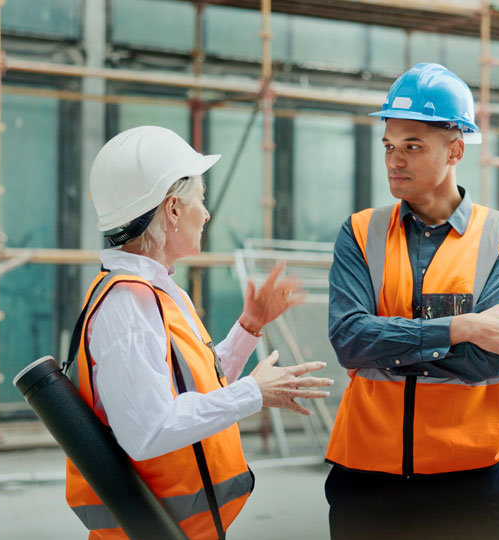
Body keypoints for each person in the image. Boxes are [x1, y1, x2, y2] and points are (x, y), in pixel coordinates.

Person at [64, 125, 333, 540]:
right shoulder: (127, 307)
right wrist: (253, 393)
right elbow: (150, 431)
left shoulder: (158, 293)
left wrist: (251, 326)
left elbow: (197, 384)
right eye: (200, 202)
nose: (205, 215)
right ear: (172, 210)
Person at [324, 63, 499, 540]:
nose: (394, 161)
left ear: (456, 149)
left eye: (413, 146)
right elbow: (349, 341)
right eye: (389, 147)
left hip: (469, 484)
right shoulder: (360, 232)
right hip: (365, 480)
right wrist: (459, 329)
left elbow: (486, 361)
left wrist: (389, 343)